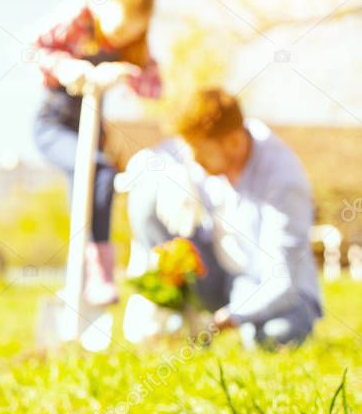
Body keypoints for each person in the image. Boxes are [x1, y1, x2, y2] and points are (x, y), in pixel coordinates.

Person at [126, 88, 322, 348]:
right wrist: (171, 176)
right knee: (147, 196)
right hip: (222, 275)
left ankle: (240, 329)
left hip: (277, 290)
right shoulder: (210, 145)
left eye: (199, 151)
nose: (194, 160)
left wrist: (231, 317)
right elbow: (145, 161)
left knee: (274, 334)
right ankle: (179, 315)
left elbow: (281, 280)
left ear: (233, 142)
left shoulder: (284, 181)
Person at [33, 0, 162, 306]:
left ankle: (98, 274)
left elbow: (155, 87)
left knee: (101, 174)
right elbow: (35, 48)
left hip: (92, 128)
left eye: (132, 32)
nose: (121, 38)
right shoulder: (78, 18)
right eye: (119, 27)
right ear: (105, 6)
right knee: (92, 167)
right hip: (54, 124)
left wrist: (124, 72)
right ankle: (92, 270)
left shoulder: (131, 45)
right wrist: (67, 67)